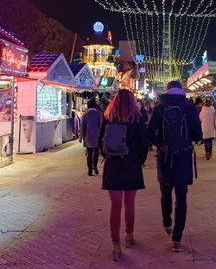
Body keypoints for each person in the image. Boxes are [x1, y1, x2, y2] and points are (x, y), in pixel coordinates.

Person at [147, 81, 202, 253]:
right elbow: (198, 135)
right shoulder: (190, 108)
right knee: (182, 197)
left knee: (165, 192)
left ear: (168, 90)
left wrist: (161, 144)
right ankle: (177, 239)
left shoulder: (159, 107)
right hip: (184, 157)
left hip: (165, 157)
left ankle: (167, 223)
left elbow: (149, 134)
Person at [98, 89, 149, 261]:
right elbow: (144, 143)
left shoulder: (108, 117)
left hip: (113, 165)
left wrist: (109, 156)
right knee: (129, 203)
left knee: (115, 205)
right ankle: (129, 235)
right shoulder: (137, 118)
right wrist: (139, 160)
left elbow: (100, 142)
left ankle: (115, 244)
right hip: (131, 164)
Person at [79, 98, 102, 176]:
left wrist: (80, 137)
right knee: (96, 152)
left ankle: (89, 170)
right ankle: (94, 166)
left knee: (89, 153)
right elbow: (101, 125)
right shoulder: (98, 114)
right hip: (96, 136)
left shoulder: (85, 114)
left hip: (87, 136)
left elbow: (82, 126)